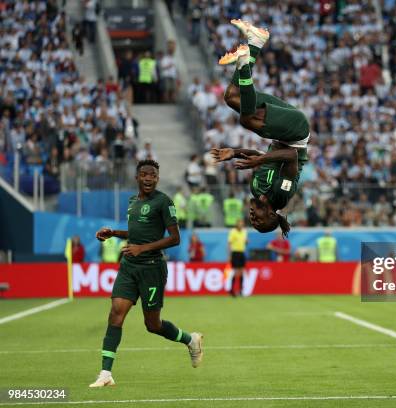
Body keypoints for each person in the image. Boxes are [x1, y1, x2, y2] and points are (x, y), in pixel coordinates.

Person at [89, 159, 203, 388]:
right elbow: (136, 232)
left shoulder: (164, 202)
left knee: (153, 325)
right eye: (144, 174)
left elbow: (175, 238)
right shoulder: (132, 202)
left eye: (153, 175)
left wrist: (142, 248)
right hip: (130, 267)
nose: (149, 178)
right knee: (115, 313)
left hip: (152, 268)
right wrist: (114, 233)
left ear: (157, 179)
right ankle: (105, 373)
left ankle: (191, 340)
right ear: (137, 177)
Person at [210, 19, 310, 237]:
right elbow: (291, 156)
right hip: (296, 134)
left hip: (281, 133)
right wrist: (260, 160)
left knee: (231, 96)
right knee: (246, 120)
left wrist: (234, 152)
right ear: (272, 215)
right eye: (258, 220)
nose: (252, 216)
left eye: (251, 219)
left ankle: (255, 41)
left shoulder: (256, 189)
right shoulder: (281, 196)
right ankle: (244, 62)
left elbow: (260, 158)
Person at [227, 219, 248, 297]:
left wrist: (246, 241)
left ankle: (240, 291)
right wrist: (229, 255)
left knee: (242, 272)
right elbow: (229, 244)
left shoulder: (244, 232)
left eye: (242, 223)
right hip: (235, 253)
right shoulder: (233, 232)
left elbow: (245, 242)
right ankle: (232, 290)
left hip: (242, 253)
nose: (241, 224)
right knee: (236, 272)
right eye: (240, 223)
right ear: (237, 224)